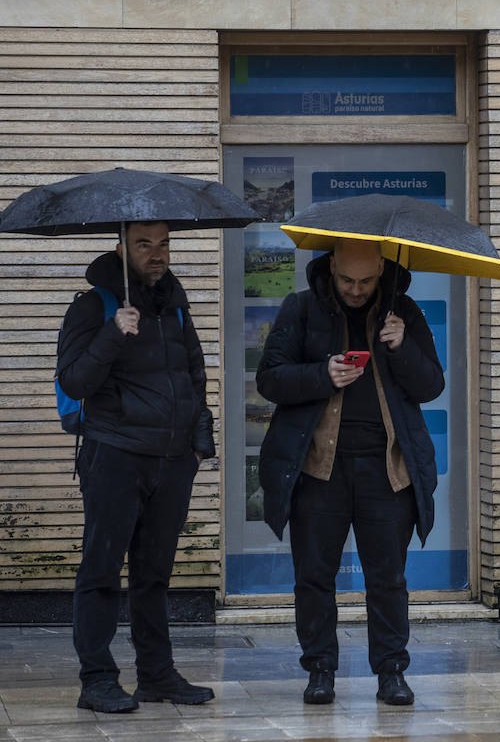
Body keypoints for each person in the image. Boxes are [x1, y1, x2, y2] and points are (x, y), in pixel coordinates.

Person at [256, 237, 444, 706]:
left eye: (365, 281)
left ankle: (391, 674)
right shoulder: (300, 309)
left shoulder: (405, 313)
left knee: (388, 579)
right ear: (331, 268)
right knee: (314, 576)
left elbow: (431, 385)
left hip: (386, 468)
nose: (355, 290)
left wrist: (401, 347)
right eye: (346, 280)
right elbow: (270, 378)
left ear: (381, 270)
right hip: (320, 466)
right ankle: (320, 670)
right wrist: (323, 375)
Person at [56, 221, 217, 713]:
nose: (157, 253)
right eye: (144, 244)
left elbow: (193, 375)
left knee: (154, 575)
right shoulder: (93, 305)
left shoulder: (176, 306)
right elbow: (74, 381)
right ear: (121, 247)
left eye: (164, 243)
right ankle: (98, 679)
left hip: (171, 461)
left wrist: (199, 445)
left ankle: (157, 676)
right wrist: (112, 333)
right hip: (114, 455)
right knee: (101, 571)